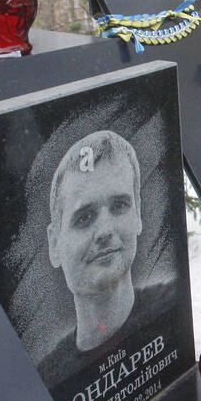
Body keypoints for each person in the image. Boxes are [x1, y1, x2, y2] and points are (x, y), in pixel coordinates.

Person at [37, 130, 174, 387]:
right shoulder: (46, 378)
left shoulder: (171, 304)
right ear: (55, 243)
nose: (105, 231)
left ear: (138, 214)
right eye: (85, 217)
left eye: (119, 206)